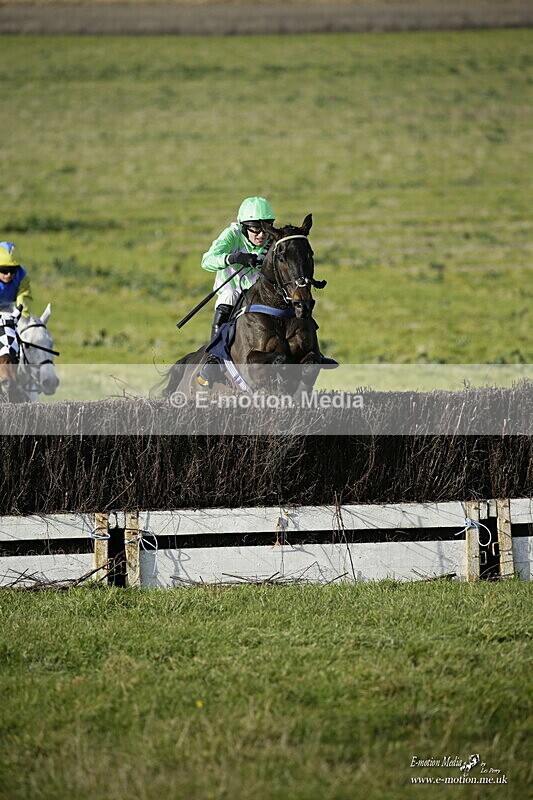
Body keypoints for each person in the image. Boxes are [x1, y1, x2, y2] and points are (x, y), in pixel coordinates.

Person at [197, 197, 275, 386]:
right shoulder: (232, 235)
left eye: (265, 229)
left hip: (261, 294)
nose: (261, 235)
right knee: (229, 296)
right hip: (234, 290)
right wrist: (234, 258)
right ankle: (214, 358)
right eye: (255, 229)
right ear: (243, 227)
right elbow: (207, 261)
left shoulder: (273, 239)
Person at [0, 241, 32, 317]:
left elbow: (23, 301)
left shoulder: (21, 277)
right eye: (4, 270)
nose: (8, 274)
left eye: (12, 270)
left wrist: (23, 318)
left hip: (8, 307)